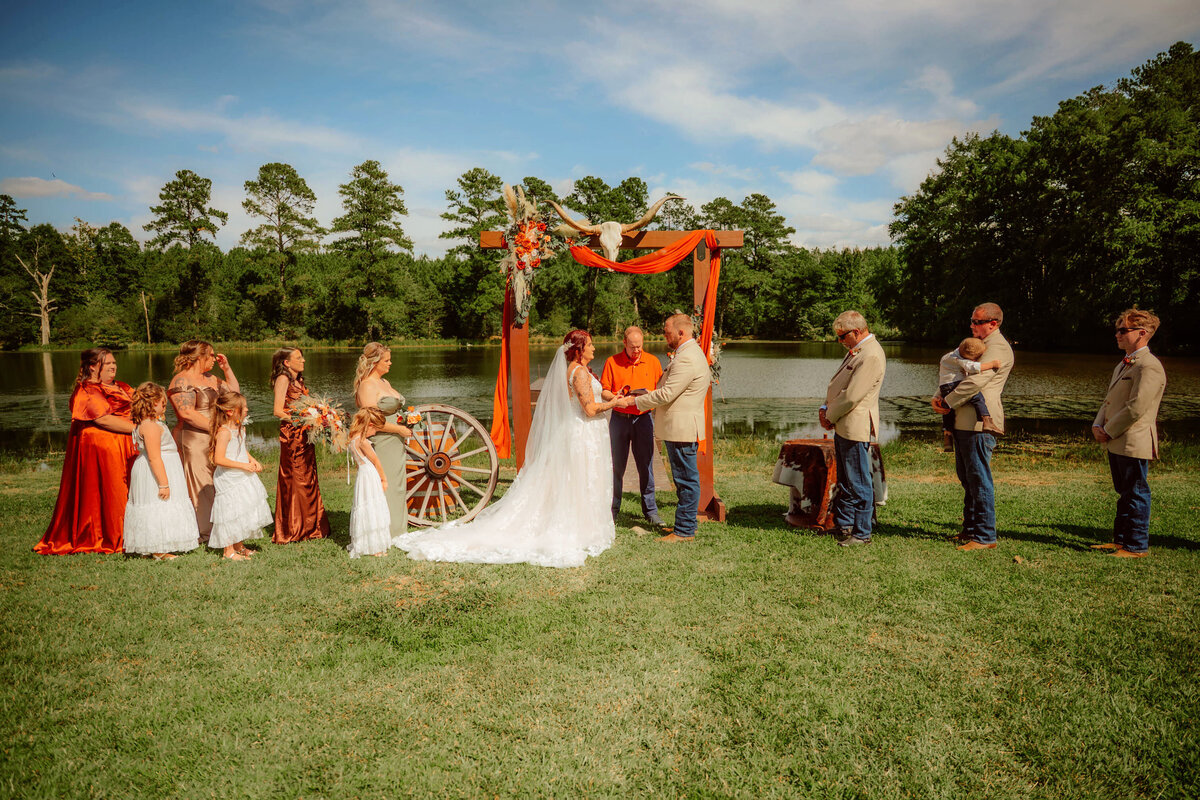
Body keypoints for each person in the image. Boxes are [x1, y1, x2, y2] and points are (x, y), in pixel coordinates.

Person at [394, 329, 622, 567]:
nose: (594, 348)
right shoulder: (579, 372)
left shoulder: (576, 370)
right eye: (590, 345)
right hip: (582, 432)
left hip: (576, 430)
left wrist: (611, 397)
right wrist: (615, 403)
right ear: (579, 349)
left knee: (575, 477)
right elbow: (589, 409)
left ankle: (580, 524)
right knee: (581, 476)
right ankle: (580, 527)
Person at [616, 313, 710, 542]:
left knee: (686, 479)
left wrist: (635, 401)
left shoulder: (687, 358)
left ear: (681, 332)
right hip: (681, 426)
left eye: (667, 332)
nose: (664, 336)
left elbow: (667, 394)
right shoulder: (688, 353)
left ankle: (684, 531)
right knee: (683, 478)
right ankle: (686, 525)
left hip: (682, 427)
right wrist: (648, 394)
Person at [35, 348, 137, 555]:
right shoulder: (87, 390)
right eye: (107, 363)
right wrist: (139, 429)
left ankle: (134, 533)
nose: (113, 366)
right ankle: (113, 536)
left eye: (114, 362)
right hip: (102, 449)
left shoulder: (121, 386)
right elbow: (102, 419)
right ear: (92, 366)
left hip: (124, 446)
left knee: (128, 488)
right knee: (112, 490)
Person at [932, 302, 1014, 551]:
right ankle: (970, 529)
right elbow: (954, 372)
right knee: (967, 478)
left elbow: (976, 381)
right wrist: (938, 396)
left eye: (977, 322)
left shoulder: (998, 347)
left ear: (993, 323)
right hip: (963, 420)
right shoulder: (977, 344)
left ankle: (985, 536)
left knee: (978, 479)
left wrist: (947, 401)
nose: (971, 325)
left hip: (979, 423)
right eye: (972, 320)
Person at [1091, 308, 1167, 559]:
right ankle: (1120, 541)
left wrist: (1108, 430)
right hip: (1117, 439)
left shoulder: (1149, 366)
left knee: (1136, 492)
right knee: (1124, 492)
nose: (1118, 335)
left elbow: (1137, 407)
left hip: (1134, 440)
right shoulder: (1125, 363)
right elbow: (1110, 400)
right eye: (1118, 330)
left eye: (1123, 330)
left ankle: (1136, 546)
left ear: (1142, 333)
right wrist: (1097, 425)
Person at [818, 310, 886, 546]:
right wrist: (825, 408)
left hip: (855, 425)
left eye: (842, 336)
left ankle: (862, 532)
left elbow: (852, 396)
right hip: (845, 424)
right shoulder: (860, 350)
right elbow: (841, 387)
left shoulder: (871, 355)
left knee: (858, 481)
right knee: (846, 480)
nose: (840, 341)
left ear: (856, 331)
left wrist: (829, 415)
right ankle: (845, 525)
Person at [167, 340, 240, 543]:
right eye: (211, 355)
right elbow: (187, 413)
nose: (215, 359)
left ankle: (221, 525)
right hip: (194, 439)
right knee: (202, 483)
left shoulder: (211, 378)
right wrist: (217, 429)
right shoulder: (181, 381)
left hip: (215, 436)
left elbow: (235, 395)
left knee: (218, 480)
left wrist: (227, 369)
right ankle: (205, 530)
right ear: (199, 357)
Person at [123, 382, 201, 560]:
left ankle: (156, 546)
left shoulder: (153, 423)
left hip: (166, 467)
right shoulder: (150, 426)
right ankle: (157, 549)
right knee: (156, 505)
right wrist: (163, 483)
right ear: (152, 403)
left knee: (164, 506)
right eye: (163, 403)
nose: (165, 406)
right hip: (156, 472)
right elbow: (154, 457)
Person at [600, 326, 665, 526]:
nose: (637, 350)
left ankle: (650, 511)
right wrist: (616, 397)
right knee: (616, 466)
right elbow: (604, 391)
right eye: (633, 347)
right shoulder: (612, 362)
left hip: (643, 419)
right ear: (624, 344)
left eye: (639, 346)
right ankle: (612, 510)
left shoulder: (653, 361)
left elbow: (661, 389)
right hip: (619, 419)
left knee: (646, 466)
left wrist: (649, 395)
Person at [271, 347, 331, 543]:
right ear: (287, 362)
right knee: (295, 478)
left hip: (304, 434)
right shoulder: (283, 379)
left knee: (308, 475)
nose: (303, 360)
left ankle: (312, 526)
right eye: (298, 357)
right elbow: (278, 411)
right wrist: (304, 419)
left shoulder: (299, 381)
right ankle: (293, 528)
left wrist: (317, 417)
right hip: (292, 435)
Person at [353, 342, 412, 538]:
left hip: (395, 441)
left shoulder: (384, 382)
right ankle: (385, 532)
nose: (390, 363)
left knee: (397, 486)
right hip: (382, 441)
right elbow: (371, 420)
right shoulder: (367, 385)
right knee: (385, 484)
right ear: (375, 362)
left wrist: (409, 419)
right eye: (386, 360)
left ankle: (398, 529)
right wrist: (399, 429)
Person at [208, 392, 272, 561]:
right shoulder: (224, 432)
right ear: (230, 411)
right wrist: (243, 465)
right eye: (243, 407)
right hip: (228, 477)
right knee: (230, 512)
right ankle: (228, 551)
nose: (247, 409)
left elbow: (241, 449)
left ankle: (239, 546)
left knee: (241, 510)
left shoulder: (240, 428)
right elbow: (218, 459)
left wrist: (252, 460)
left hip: (241, 475)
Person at [936, 337, 1002, 451]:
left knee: (948, 412)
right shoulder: (959, 360)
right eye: (975, 358)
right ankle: (986, 420)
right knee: (977, 397)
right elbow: (973, 367)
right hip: (954, 384)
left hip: (944, 387)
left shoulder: (948, 356)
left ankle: (947, 436)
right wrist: (992, 364)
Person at [347, 407, 392, 558]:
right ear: (369, 425)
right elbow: (376, 461)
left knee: (365, 504)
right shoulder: (363, 441)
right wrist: (384, 479)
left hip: (363, 476)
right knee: (373, 506)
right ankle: (374, 547)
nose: (375, 433)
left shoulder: (353, 439)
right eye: (375, 429)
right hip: (370, 475)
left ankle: (366, 543)